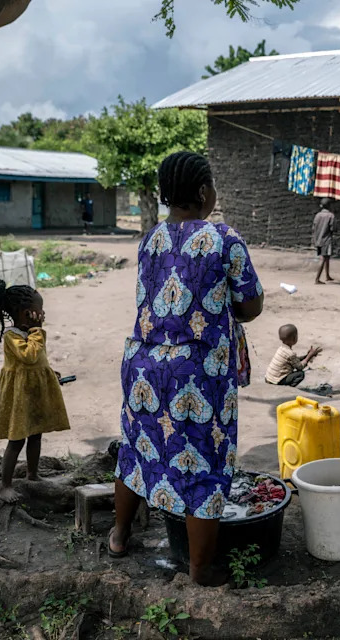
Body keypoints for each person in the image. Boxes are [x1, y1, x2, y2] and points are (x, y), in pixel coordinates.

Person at [110, 151, 264, 586]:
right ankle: (200, 573)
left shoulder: (149, 239)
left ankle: (119, 537)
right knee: (203, 465)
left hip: (142, 363)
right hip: (196, 371)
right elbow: (250, 306)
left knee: (136, 449)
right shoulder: (224, 239)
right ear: (202, 192)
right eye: (212, 185)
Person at [0, 280, 70, 504]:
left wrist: (50, 373)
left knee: (36, 434)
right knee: (16, 440)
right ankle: (5, 486)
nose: (43, 314)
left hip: (35, 392)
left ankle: (32, 474)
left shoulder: (31, 333)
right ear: (27, 313)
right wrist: (36, 332)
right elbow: (29, 356)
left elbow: (38, 361)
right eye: (40, 310)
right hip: (20, 396)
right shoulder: (13, 336)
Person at [312, 198, 336, 284]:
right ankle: (317, 279)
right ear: (329, 206)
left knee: (327, 257)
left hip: (318, 239)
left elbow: (314, 227)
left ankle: (327, 276)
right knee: (324, 258)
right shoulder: (331, 216)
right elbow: (333, 228)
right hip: (326, 240)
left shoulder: (318, 215)